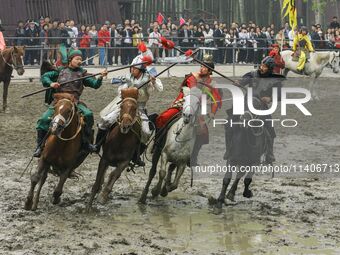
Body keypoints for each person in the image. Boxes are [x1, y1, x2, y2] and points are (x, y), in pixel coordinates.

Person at [33, 49, 108, 157]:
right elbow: (45, 77)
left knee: (88, 114)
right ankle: (39, 146)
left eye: (81, 59)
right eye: (77, 59)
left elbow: (95, 84)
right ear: (70, 60)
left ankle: (87, 143)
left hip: (74, 102)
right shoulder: (60, 71)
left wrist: (100, 77)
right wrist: (51, 83)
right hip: (58, 101)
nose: (79, 61)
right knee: (44, 119)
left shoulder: (82, 73)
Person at [95, 54, 163, 166]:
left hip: (139, 108)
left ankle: (136, 156)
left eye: (135, 68)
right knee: (104, 121)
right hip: (124, 105)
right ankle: (97, 146)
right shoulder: (127, 77)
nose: (132, 69)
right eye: (131, 67)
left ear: (141, 70)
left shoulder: (148, 78)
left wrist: (154, 81)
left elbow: (160, 89)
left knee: (146, 132)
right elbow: (118, 89)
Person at [155, 54, 222, 166]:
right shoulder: (193, 77)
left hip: (197, 109)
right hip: (183, 105)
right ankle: (157, 143)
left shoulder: (212, 83)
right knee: (163, 117)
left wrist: (212, 112)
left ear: (210, 71)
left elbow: (215, 100)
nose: (201, 68)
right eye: (201, 66)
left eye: (205, 67)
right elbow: (192, 88)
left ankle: (193, 157)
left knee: (204, 132)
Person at [224, 57, 285, 164]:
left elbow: (279, 95)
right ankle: (229, 150)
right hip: (246, 103)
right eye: (261, 65)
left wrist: (270, 98)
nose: (262, 68)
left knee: (270, 129)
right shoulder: (253, 74)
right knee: (229, 123)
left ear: (270, 69)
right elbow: (245, 80)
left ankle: (269, 155)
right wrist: (240, 82)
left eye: (264, 67)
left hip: (261, 106)